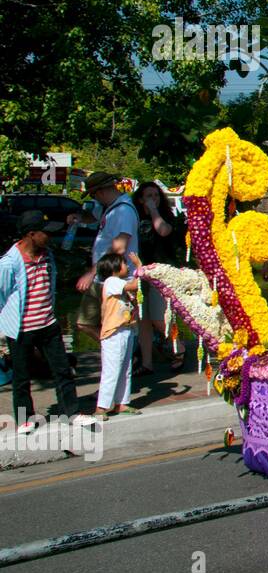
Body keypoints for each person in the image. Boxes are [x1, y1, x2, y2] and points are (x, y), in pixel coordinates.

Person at [0, 211, 92, 432]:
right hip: (21, 328)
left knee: (62, 370)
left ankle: (71, 412)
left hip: (48, 324)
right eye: (45, 233)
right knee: (22, 376)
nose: (49, 236)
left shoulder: (47, 256)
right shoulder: (9, 263)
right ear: (31, 235)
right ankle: (25, 418)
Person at [72, 172, 139, 348]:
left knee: (114, 324)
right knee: (86, 323)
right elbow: (98, 223)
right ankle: (119, 351)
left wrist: (91, 272)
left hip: (116, 279)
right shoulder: (112, 208)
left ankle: (124, 353)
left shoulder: (123, 210)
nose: (95, 200)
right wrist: (80, 219)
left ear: (100, 192)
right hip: (103, 278)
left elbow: (119, 247)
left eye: (94, 195)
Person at [132, 181, 186, 375]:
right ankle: (147, 362)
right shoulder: (134, 217)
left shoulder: (166, 217)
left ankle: (178, 347)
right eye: (148, 196)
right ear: (140, 199)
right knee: (142, 319)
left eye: (155, 195)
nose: (153, 199)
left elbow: (163, 230)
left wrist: (154, 210)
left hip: (161, 272)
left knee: (159, 317)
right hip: (139, 272)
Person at [95, 253, 139, 419]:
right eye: (124, 263)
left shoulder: (120, 283)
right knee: (112, 369)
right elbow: (134, 284)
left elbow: (134, 290)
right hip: (114, 332)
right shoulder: (112, 281)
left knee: (126, 369)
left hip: (125, 329)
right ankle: (102, 407)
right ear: (114, 267)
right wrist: (139, 264)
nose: (127, 266)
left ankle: (122, 402)